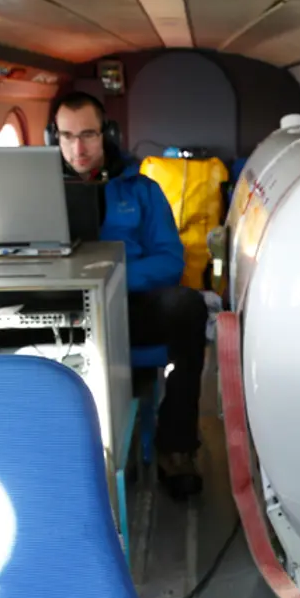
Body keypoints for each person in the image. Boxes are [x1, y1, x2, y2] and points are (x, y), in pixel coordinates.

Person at [50, 91, 207, 499]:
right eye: (66, 136)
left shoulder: (141, 189)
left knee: (187, 308)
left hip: (128, 306)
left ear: (108, 134)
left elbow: (170, 260)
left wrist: (111, 278)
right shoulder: (34, 188)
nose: (77, 148)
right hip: (58, 307)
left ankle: (176, 447)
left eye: (87, 135)